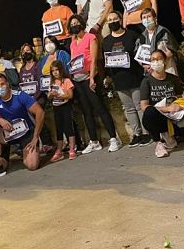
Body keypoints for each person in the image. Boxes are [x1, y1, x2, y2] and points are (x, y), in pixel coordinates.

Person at [68, 13, 122, 153]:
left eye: (76, 23)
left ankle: (113, 138)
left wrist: (92, 77)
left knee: (100, 108)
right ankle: (94, 141)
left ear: (81, 24)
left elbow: (93, 59)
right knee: (86, 112)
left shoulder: (90, 37)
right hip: (78, 79)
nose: (74, 26)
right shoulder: (73, 42)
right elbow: (74, 61)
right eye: (72, 25)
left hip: (89, 77)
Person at [0, 73, 46, 181]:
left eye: (2, 84)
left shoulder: (20, 95)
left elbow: (40, 113)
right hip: (9, 134)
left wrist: (35, 137)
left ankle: (25, 152)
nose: (0, 87)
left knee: (32, 165)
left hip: (26, 133)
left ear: (8, 84)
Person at [140, 49, 184, 158]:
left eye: (159, 59)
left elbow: (179, 96)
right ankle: (159, 142)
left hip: (174, 115)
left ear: (165, 61)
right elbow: (144, 106)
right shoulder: (147, 81)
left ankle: (173, 136)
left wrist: (179, 105)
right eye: (153, 60)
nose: (156, 62)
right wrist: (167, 108)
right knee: (149, 112)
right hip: (159, 116)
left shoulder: (172, 78)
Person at [102, 10, 150, 147]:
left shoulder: (132, 35)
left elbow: (140, 53)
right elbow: (106, 61)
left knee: (139, 106)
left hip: (135, 76)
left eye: (115, 19)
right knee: (129, 108)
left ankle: (146, 133)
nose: (112, 22)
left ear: (120, 19)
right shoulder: (106, 41)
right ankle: (136, 134)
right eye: (109, 20)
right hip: (119, 80)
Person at [19, 42, 54, 152]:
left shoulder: (38, 65)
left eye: (28, 50)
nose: (26, 53)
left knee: (38, 115)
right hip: (27, 99)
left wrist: (34, 98)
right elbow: (21, 85)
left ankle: (47, 142)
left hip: (38, 97)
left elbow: (40, 82)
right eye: (24, 51)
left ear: (32, 51)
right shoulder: (22, 69)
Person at [48, 60, 77, 161]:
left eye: (57, 70)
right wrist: (51, 95)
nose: (55, 72)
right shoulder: (52, 82)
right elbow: (49, 96)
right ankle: (59, 150)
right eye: (53, 71)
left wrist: (60, 95)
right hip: (56, 107)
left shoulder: (66, 81)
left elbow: (70, 95)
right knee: (59, 128)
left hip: (65, 106)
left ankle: (72, 148)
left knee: (69, 127)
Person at [137, 8, 179, 76]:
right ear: (141, 21)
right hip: (151, 72)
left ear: (155, 18)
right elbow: (139, 56)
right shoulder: (141, 37)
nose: (146, 19)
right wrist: (144, 65)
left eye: (149, 16)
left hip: (167, 68)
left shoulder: (163, 32)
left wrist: (158, 62)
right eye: (144, 17)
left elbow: (172, 50)